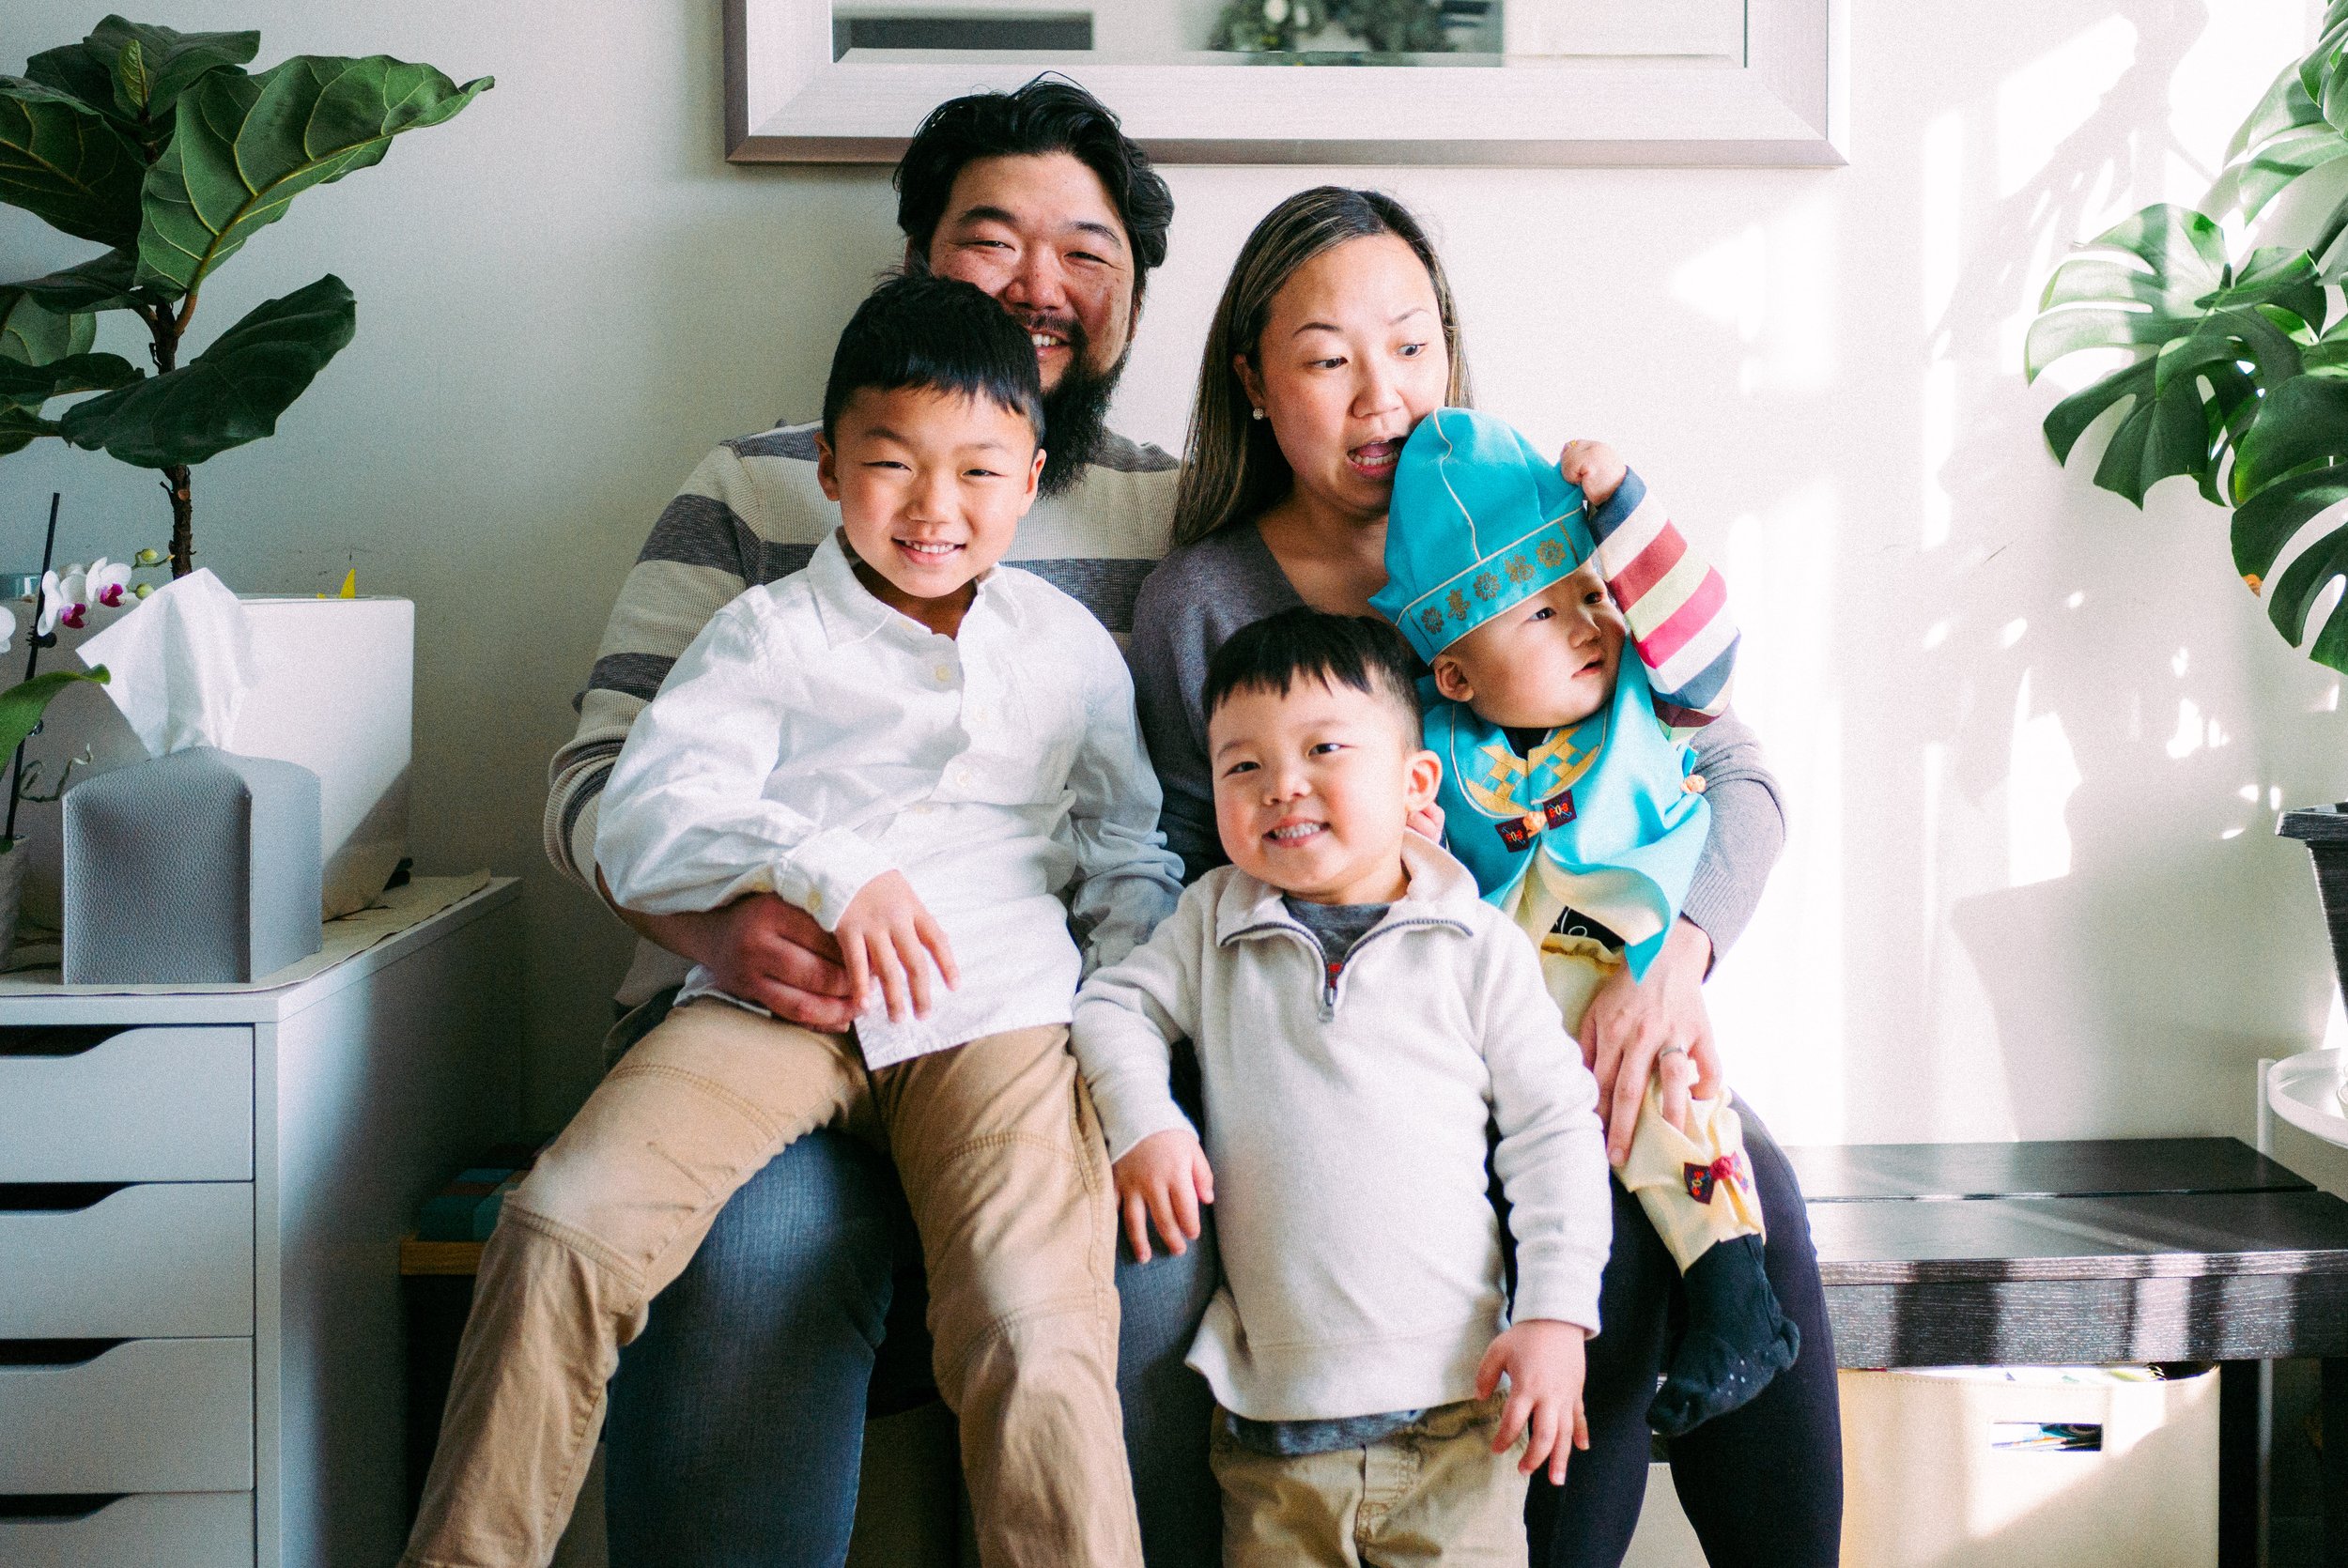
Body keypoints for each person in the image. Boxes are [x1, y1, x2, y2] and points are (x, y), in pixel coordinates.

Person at [544, 79, 1225, 1566]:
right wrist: (716, 919)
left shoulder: (1180, 515)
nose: (1039, 284)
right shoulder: (752, 485)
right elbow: (594, 782)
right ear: (918, 259)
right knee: (755, 1247)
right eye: (993, 237)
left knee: (1151, 1255)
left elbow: (1199, 810)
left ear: (1128, 299)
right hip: (769, 1015)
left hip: (1023, 1030)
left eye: (1087, 254)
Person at [406, 274, 1182, 1568]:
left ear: (1033, 475)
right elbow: (648, 811)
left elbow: (1124, 846)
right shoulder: (763, 633)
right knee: (557, 1228)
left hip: (995, 1015)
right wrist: (824, 868)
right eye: (892, 464)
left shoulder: (1065, 648)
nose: (936, 509)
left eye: (980, 472)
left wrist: (1123, 1034)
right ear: (828, 468)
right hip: (780, 1007)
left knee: (1036, 1323)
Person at [1129, 185, 1844, 1566]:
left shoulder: (1542, 534)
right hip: (1347, 1073)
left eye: (1411, 345)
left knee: (1743, 1179)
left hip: (1588, 1018)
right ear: (1255, 385)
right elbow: (1183, 870)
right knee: (1572, 1207)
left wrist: (1669, 971)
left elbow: (1732, 775)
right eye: (1330, 358)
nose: (1381, 395)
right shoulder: (1206, 602)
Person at [1074, 609, 1614, 1568]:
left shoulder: (1474, 942)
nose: (1282, 784)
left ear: (1414, 784)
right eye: (1242, 766)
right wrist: (1143, 1123)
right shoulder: (1210, 921)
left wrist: (1556, 1315)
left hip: (1460, 1418)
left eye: (1324, 748)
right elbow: (1112, 1008)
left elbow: (1555, 1131)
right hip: (1273, 1437)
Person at [1371, 407, 1800, 1439]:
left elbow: (1703, 637)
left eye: (1592, 596)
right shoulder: (1433, 746)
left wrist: (1623, 503)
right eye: (1541, 613)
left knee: (1663, 1096)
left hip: (1627, 972)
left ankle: (1735, 1294)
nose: (1586, 625)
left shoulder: (1651, 698)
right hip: (1506, 1013)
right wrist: (1410, 836)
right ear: (1456, 674)